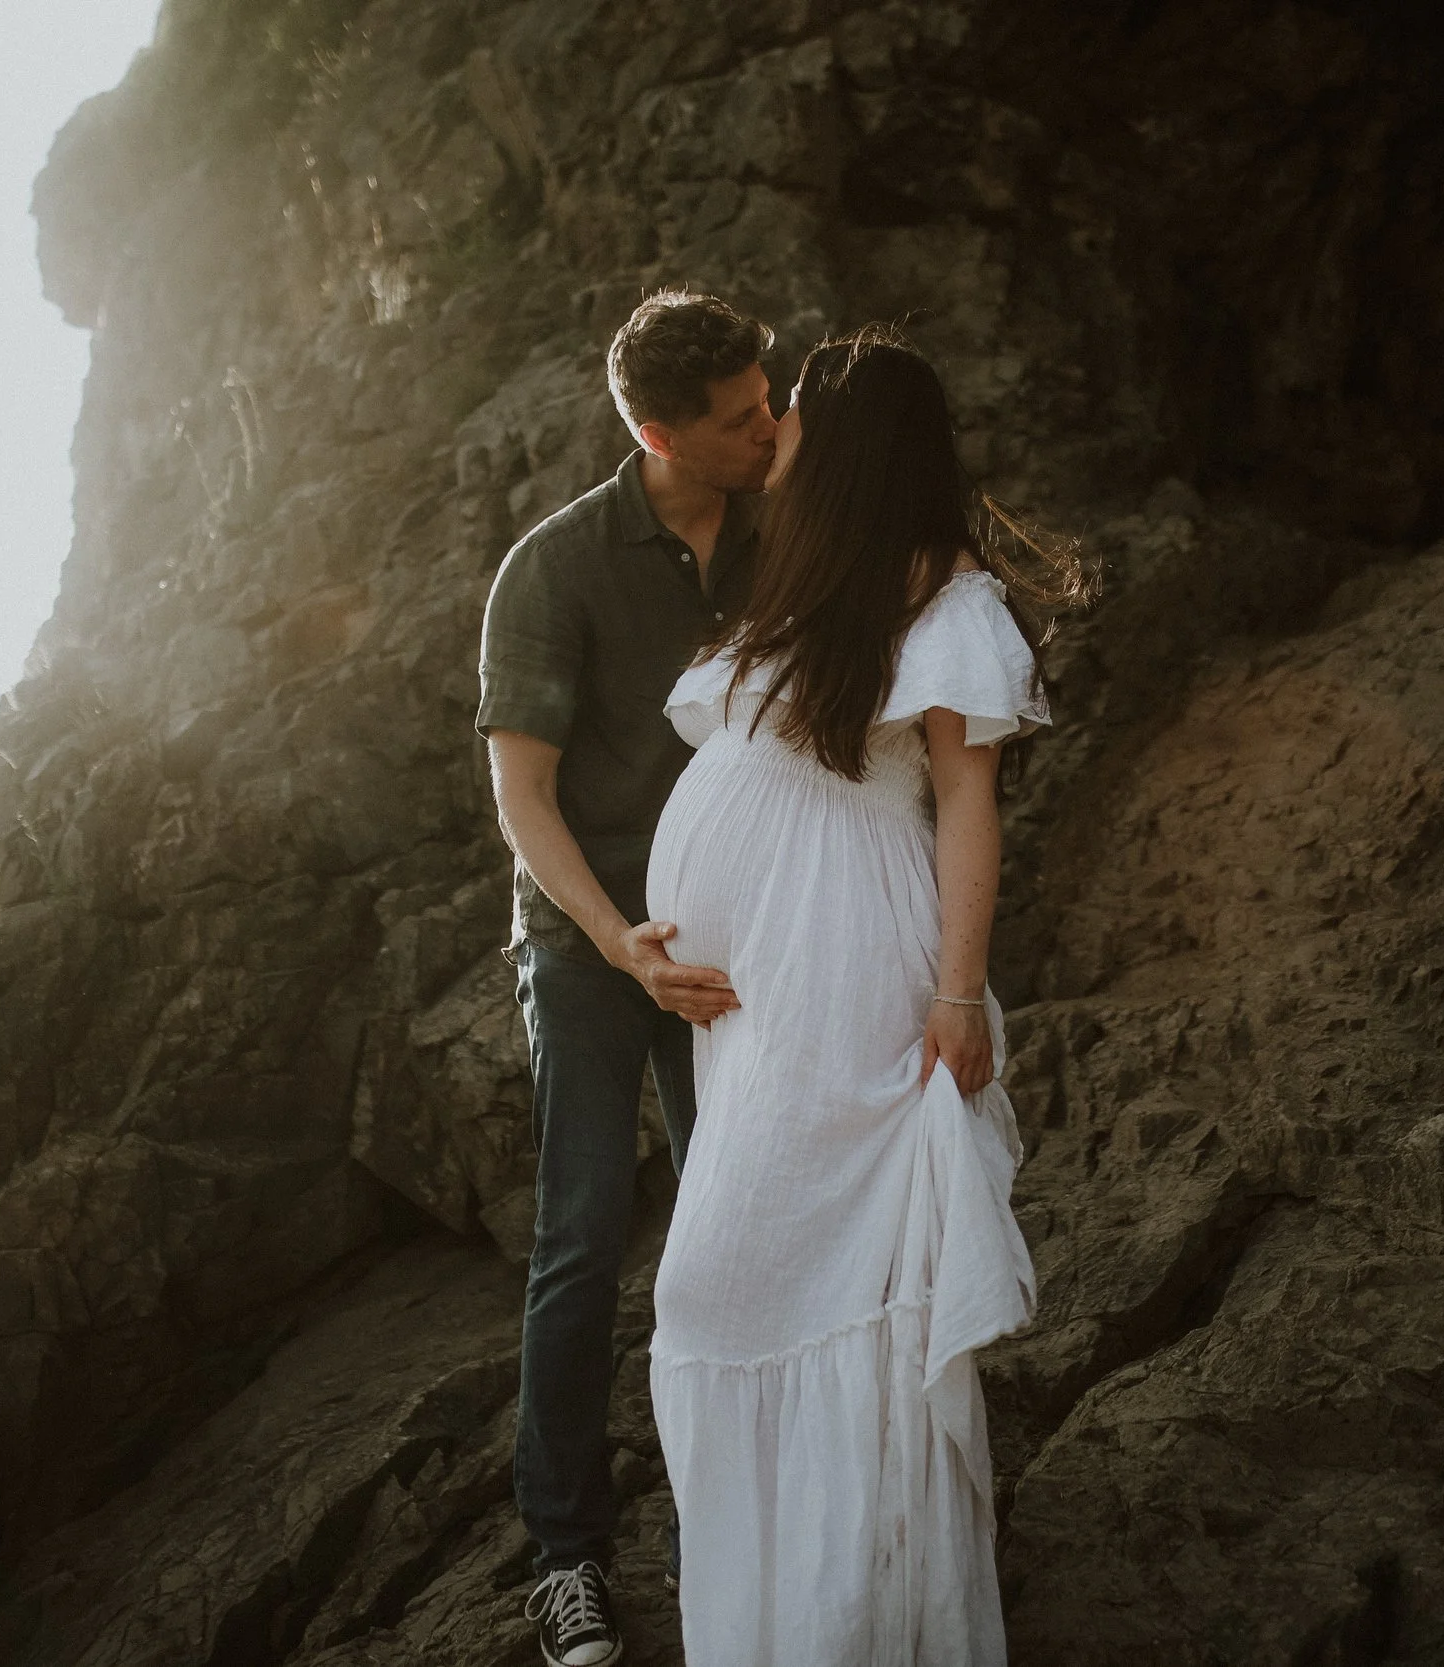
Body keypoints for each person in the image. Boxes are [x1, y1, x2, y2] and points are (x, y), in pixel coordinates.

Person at [645, 326, 1089, 1665]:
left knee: (792, 1288)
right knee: (728, 1292)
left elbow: (966, 805)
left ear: (848, 448)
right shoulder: (814, 589)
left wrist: (960, 995)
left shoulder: (952, 609)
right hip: (764, 991)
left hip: (851, 968)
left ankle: (856, 1622)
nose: (773, 431)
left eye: (792, 418)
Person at [477, 289, 777, 1667]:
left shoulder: (791, 526)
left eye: (767, 397)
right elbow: (522, 800)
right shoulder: (552, 567)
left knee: (753, 1210)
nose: (767, 426)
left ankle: (761, 1508)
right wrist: (615, 942)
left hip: (738, 937)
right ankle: (565, 1557)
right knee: (586, 1232)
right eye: (736, 418)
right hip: (596, 938)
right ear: (656, 433)